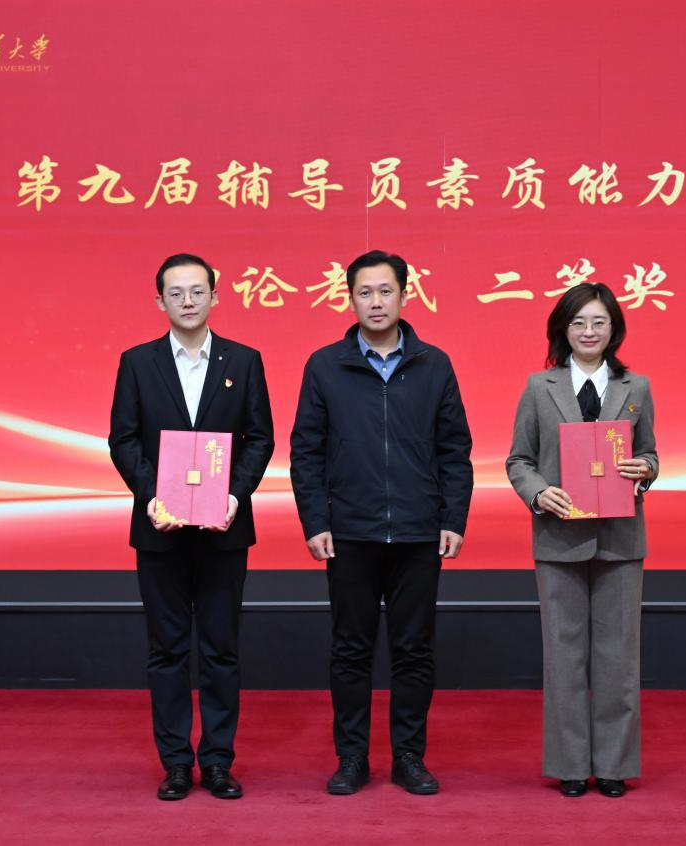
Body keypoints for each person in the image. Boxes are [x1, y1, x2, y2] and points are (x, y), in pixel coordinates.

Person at [290, 249, 474, 796]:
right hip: (349, 532)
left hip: (418, 531)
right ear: (349, 299)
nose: (375, 302)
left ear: (404, 295)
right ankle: (351, 757)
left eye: (385, 291)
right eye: (365, 292)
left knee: (414, 650)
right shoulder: (325, 365)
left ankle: (409, 757)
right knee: (351, 650)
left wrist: (452, 516)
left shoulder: (434, 364)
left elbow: (454, 449)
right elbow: (306, 451)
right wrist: (315, 520)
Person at [109, 253, 274, 801]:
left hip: (224, 530)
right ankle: (177, 763)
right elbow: (122, 440)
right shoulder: (138, 362)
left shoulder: (243, 361)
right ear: (160, 301)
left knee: (222, 650)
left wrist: (235, 495)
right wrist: (153, 496)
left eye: (197, 291)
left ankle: (219, 761)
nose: (187, 301)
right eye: (175, 293)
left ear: (215, 297)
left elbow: (260, 439)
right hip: (160, 530)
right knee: (168, 651)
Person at [505, 282, 658, 798]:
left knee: (619, 658)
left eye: (599, 322)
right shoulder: (538, 387)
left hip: (620, 539)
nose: (589, 331)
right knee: (563, 657)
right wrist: (538, 492)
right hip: (559, 538)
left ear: (614, 329)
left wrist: (645, 469)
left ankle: (613, 765)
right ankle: (570, 765)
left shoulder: (636, 387)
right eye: (578, 323)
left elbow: (651, 454)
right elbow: (519, 460)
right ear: (562, 330)